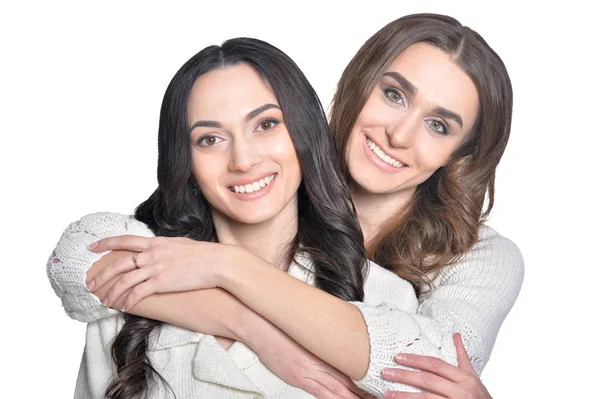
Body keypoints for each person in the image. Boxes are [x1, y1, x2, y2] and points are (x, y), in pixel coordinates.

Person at [49, 13, 523, 399]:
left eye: (439, 125)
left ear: (461, 155)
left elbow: (434, 367)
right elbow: (78, 259)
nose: (399, 135)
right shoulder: (165, 257)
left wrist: (224, 267)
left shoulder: (437, 279)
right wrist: (251, 326)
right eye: (393, 94)